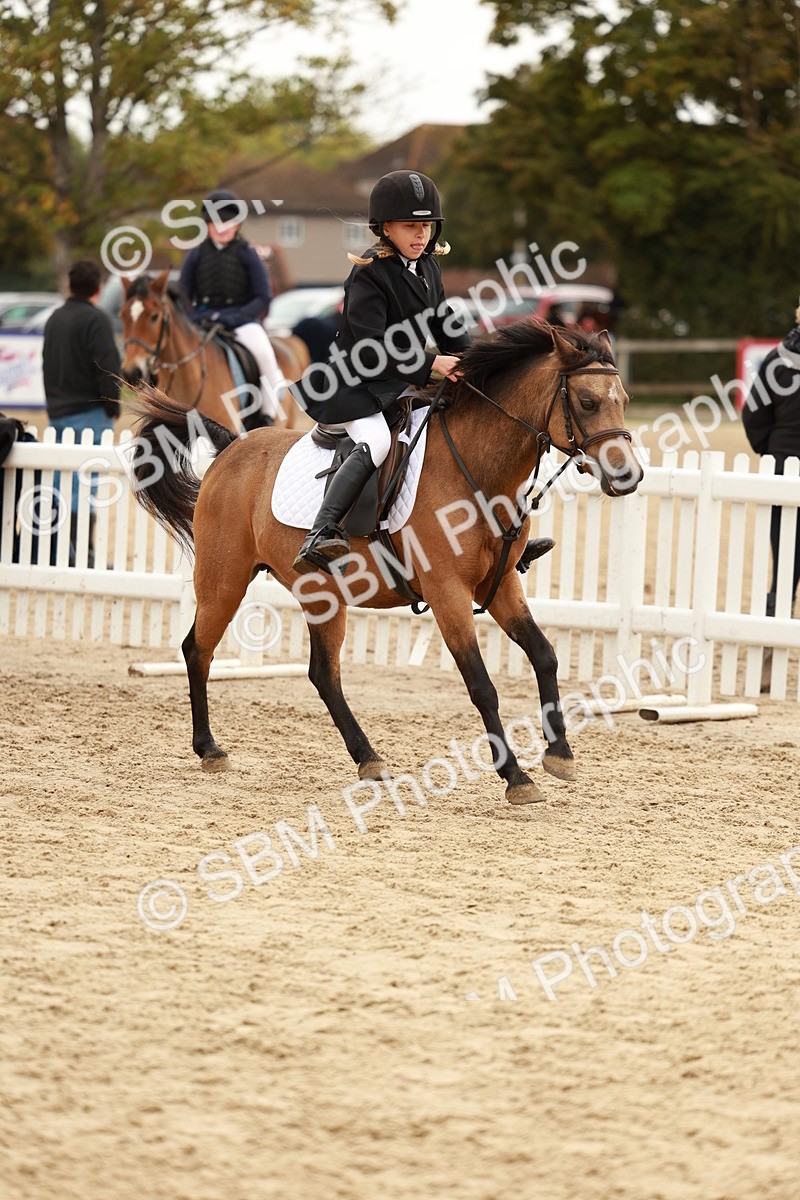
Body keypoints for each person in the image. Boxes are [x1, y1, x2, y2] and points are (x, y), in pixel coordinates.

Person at [290, 169, 473, 574]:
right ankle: (322, 532)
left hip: (399, 385)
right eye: (411, 226)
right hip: (355, 384)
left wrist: (480, 361)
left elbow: (447, 327)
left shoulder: (427, 269)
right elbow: (370, 346)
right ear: (385, 228)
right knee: (376, 441)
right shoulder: (369, 273)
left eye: (425, 226)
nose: (421, 235)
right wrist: (431, 364)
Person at [179, 188, 284, 425]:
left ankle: (267, 413)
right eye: (215, 222)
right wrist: (193, 317)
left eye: (227, 222)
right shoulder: (195, 255)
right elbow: (184, 292)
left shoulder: (248, 254)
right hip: (203, 322)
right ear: (207, 224)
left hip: (242, 322)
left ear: (236, 225)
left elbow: (263, 296)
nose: (221, 227)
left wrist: (236, 317)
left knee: (265, 355)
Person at [42, 258, 121, 564]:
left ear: (69, 285)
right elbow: (107, 368)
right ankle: (80, 554)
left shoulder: (54, 318)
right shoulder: (96, 319)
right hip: (89, 413)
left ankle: (64, 550)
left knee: (62, 483)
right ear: (98, 289)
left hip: (57, 412)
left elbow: (47, 363)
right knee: (84, 485)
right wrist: (112, 405)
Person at [742, 308, 800, 620]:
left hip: (785, 463)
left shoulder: (779, 358)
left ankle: (777, 608)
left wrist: (773, 451)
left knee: (786, 549)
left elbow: (753, 414)